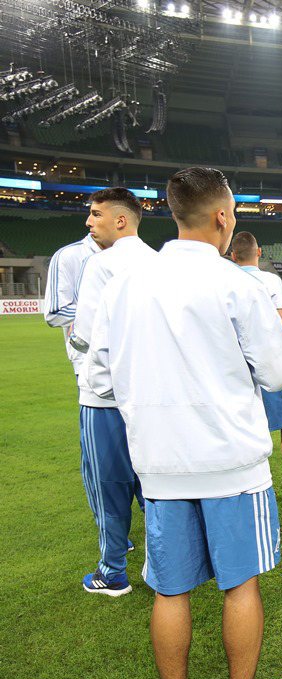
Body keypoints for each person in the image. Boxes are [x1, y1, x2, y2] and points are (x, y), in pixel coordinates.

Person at [85, 167, 282, 679]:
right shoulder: (238, 284)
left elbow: (99, 370)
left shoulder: (125, 283)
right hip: (232, 461)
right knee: (240, 585)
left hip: (159, 462)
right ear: (223, 217)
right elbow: (280, 370)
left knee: (169, 588)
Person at [70, 187, 156, 596]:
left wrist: (90, 376)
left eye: (96, 214)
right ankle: (163, 568)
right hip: (151, 398)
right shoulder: (159, 263)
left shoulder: (100, 263)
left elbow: (86, 335)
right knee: (153, 485)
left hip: (104, 400)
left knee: (107, 486)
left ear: (120, 220)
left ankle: (113, 571)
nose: (89, 222)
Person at [229, 231, 282, 479]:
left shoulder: (225, 278)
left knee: (239, 428)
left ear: (233, 256)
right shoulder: (271, 281)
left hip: (234, 364)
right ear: (259, 252)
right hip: (268, 360)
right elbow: (281, 324)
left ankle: (243, 481)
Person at [44, 230, 102, 375]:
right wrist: (107, 313)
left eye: (97, 217)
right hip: (89, 362)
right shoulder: (69, 255)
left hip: (133, 358)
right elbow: (54, 313)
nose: (89, 221)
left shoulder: (138, 255)